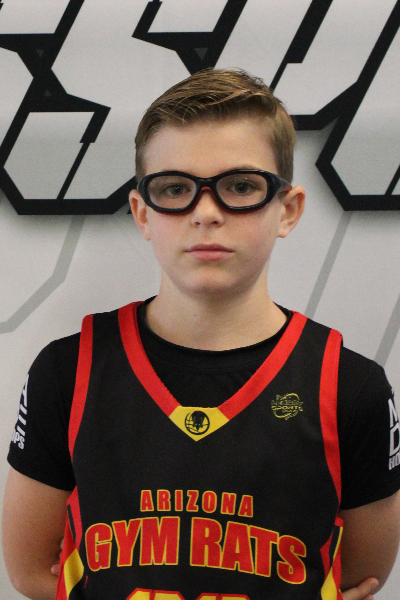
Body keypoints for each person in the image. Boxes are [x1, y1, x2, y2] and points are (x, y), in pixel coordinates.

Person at [3, 69, 400, 600]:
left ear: (287, 210)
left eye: (240, 187)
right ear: (143, 213)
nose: (206, 213)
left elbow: (360, 575)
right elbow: (31, 569)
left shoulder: (351, 388)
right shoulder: (67, 372)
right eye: (175, 189)